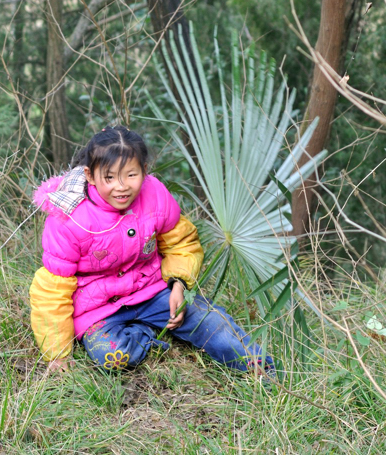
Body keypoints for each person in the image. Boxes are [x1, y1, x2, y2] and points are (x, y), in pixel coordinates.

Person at [29, 125, 273, 374]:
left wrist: (179, 285)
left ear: (144, 171)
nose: (121, 186)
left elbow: (181, 242)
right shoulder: (69, 219)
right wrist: (57, 354)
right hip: (97, 309)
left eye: (131, 175)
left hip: (152, 291)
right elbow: (52, 289)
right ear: (90, 176)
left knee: (209, 320)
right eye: (109, 177)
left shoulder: (155, 194)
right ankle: (145, 335)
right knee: (113, 355)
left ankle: (263, 370)